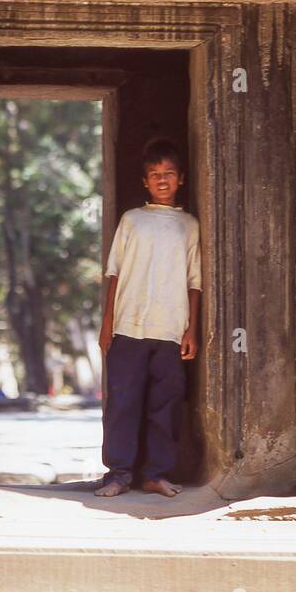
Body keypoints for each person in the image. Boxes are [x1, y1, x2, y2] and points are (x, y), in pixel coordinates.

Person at [94, 139, 201, 499]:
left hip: (170, 329)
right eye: (155, 175)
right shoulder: (132, 220)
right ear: (145, 182)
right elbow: (114, 273)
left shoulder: (188, 225)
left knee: (165, 406)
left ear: (181, 179)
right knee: (122, 403)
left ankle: (156, 473)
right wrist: (107, 323)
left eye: (169, 174)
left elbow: (194, 282)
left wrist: (192, 330)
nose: (162, 180)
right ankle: (118, 474)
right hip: (127, 327)